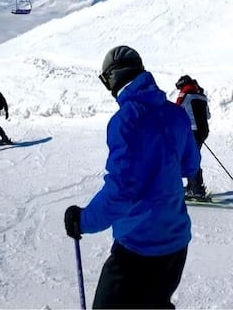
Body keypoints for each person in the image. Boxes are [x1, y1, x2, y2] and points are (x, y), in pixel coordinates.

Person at [64, 46, 197, 308]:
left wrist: (82, 221)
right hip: (176, 245)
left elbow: (121, 193)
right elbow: (190, 165)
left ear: (113, 77)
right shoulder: (175, 113)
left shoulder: (126, 120)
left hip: (139, 250)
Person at [176, 75, 212, 201]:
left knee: (189, 158)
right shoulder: (202, 96)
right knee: (193, 157)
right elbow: (208, 115)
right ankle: (194, 186)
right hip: (203, 131)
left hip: (191, 131)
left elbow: (176, 110)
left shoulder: (185, 95)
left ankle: (196, 190)